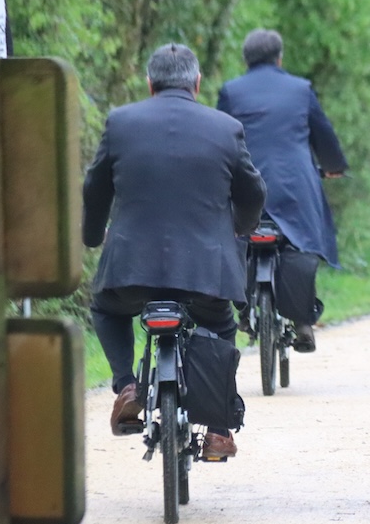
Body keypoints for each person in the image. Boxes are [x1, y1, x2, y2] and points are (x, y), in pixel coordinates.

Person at [83, 43, 266, 459]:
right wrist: (237, 228)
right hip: (206, 274)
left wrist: (93, 236)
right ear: (197, 84)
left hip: (133, 271)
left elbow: (94, 189)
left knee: (106, 308)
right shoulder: (225, 128)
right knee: (220, 325)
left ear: (149, 84)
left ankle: (127, 386)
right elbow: (254, 192)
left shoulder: (120, 122)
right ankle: (219, 430)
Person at [217, 28, 349, 353]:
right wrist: (334, 166)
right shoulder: (300, 89)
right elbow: (323, 134)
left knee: (237, 235)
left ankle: (244, 308)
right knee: (300, 241)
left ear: (245, 59)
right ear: (280, 58)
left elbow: (219, 136)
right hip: (294, 186)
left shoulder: (231, 91)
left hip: (246, 184)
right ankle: (302, 320)